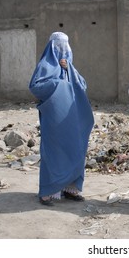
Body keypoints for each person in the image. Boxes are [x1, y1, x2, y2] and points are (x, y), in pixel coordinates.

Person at [29, 32, 94, 206]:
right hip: (54, 118)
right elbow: (35, 87)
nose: (63, 49)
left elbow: (83, 85)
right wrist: (59, 84)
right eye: (59, 44)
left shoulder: (70, 67)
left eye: (66, 44)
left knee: (75, 149)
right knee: (54, 153)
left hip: (73, 117)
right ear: (51, 46)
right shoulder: (45, 65)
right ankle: (47, 193)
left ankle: (70, 189)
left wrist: (69, 71)